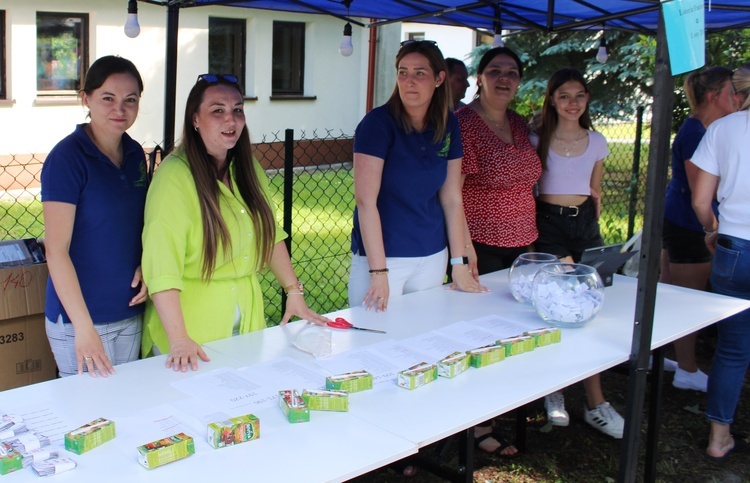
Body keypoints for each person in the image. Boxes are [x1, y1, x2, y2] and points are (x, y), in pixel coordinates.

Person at [141, 74, 330, 372]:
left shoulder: (246, 167)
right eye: (217, 111)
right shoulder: (174, 177)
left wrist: (293, 291)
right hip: (191, 332)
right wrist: (179, 339)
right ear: (195, 119)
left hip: (246, 323)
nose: (230, 119)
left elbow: (270, 235)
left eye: (237, 110)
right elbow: (161, 266)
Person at [348, 40, 487, 314]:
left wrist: (457, 263)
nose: (409, 81)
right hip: (385, 259)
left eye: (419, 73)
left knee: (423, 338)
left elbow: (451, 199)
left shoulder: (448, 123)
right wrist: (378, 272)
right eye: (403, 72)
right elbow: (366, 202)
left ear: (439, 78)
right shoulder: (377, 123)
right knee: (374, 342)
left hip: (433, 256)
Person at [530, 67, 625, 439]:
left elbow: (595, 191)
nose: (573, 103)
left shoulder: (597, 141)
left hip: (584, 224)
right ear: (553, 99)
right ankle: (554, 391)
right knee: (560, 305)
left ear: (587, 100)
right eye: (564, 95)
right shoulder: (537, 138)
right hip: (548, 222)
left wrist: (591, 231)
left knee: (590, 305)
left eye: (580, 95)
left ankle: (594, 401)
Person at [457, 46, 542, 457]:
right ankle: (475, 425)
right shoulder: (464, 124)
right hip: (481, 246)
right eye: (495, 71)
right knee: (480, 337)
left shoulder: (520, 123)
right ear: (480, 77)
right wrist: (463, 250)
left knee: (513, 332)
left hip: (522, 243)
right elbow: (450, 192)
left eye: (512, 71)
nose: (503, 78)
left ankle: (498, 409)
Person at [41, 55, 148, 378]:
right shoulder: (67, 159)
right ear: (85, 98)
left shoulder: (135, 154)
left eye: (130, 100)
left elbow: (137, 225)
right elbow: (56, 250)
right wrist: (83, 329)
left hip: (129, 312)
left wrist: (146, 262)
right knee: (87, 420)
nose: (120, 109)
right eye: (108, 99)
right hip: (80, 321)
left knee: (126, 410)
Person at [660, 66, 738, 392]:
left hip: (681, 219)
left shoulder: (704, 128)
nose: (737, 97)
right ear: (713, 95)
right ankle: (687, 369)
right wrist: (714, 227)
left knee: (669, 294)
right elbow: (699, 191)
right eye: (732, 91)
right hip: (690, 225)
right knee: (687, 301)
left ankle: (667, 357)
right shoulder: (696, 133)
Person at [690, 65, 750, 463]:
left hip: (734, 246)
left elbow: (699, 201)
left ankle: (719, 435)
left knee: (731, 348)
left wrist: (713, 230)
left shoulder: (724, 129)